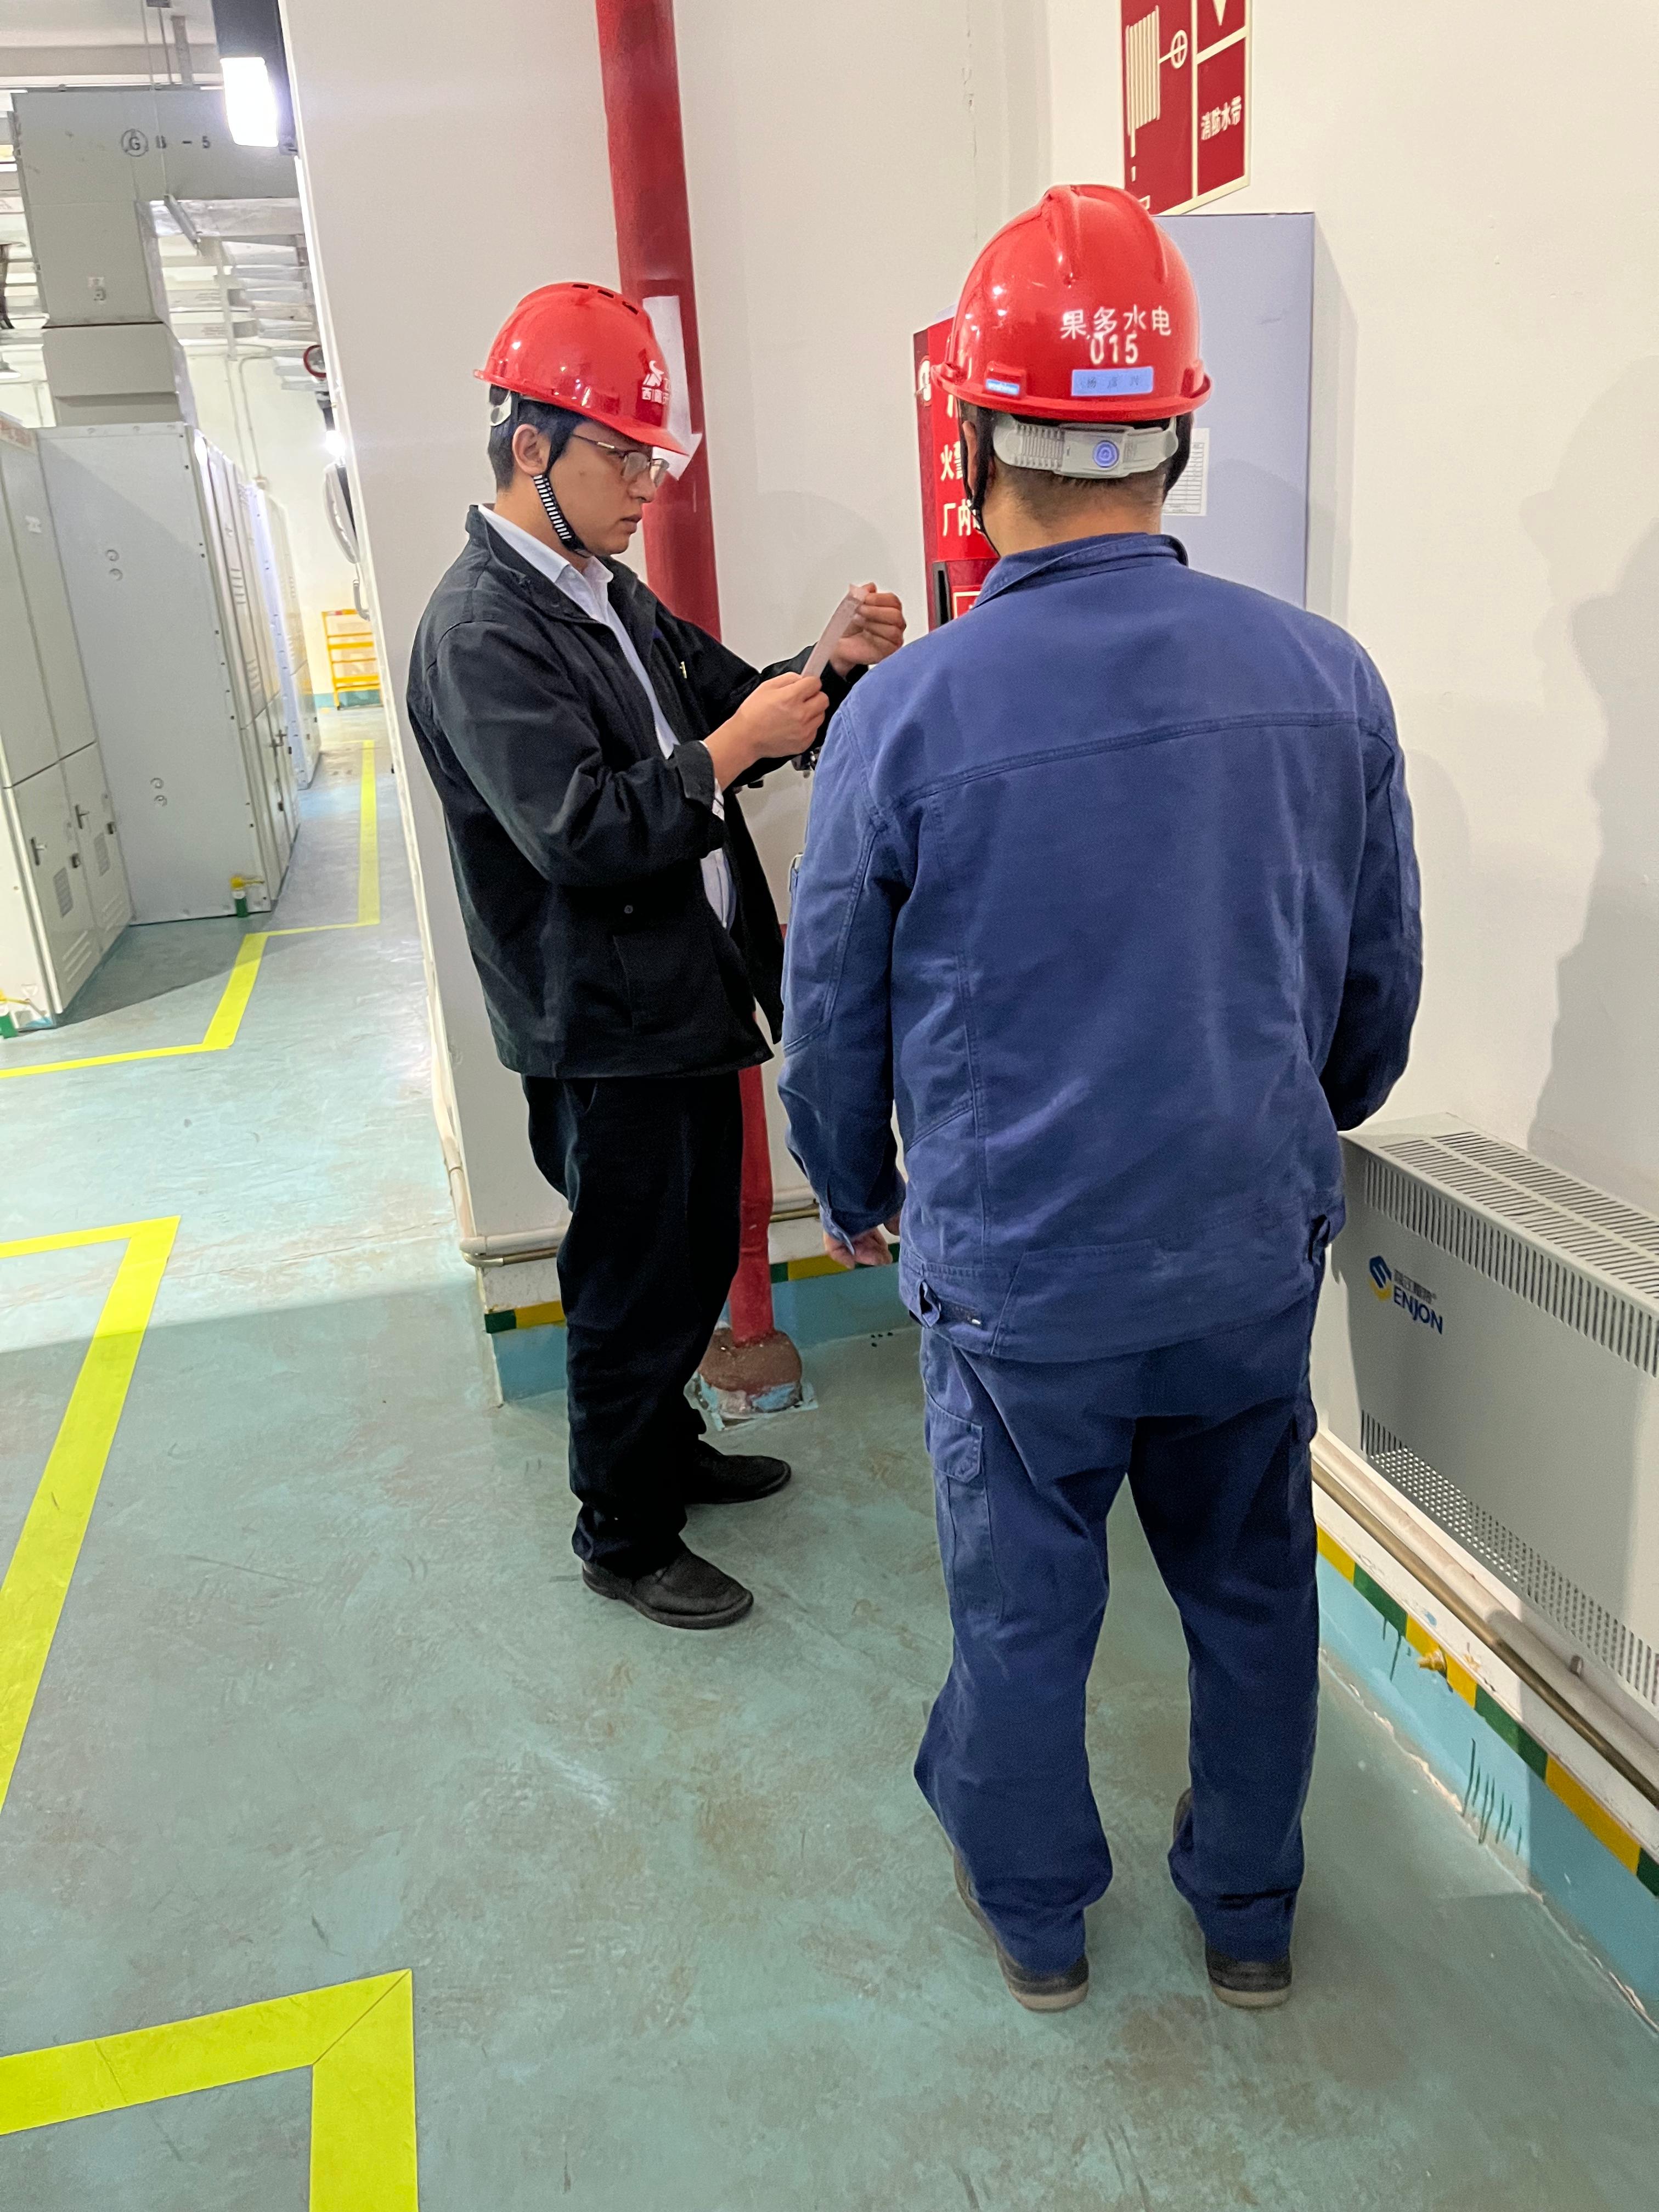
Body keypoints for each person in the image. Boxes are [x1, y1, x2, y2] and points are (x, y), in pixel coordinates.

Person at [781, 188, 1420, 2010]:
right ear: (1177, 434)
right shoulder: (1327, 681)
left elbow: (832, 1016)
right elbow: (1372, 1003)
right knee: (1252, 1591)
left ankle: (1041, 1920)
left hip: (1022, 1281)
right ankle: (1248, 1914)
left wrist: (851, 1184)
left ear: (974, 438)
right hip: (1239, 1257)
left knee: (1022, 1610)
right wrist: (1284, 1138)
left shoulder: (904, 714)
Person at [407, 281, 904, 1632]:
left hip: (680, 997)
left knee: (685, 1259)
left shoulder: (604, 593)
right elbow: (576, 830)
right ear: (531, 448)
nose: (644, 486)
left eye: (649, 459)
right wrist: (736, 747)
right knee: (630, 1284)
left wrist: (828, 664)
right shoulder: (483, 629)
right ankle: (622, 1534)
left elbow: (733, 706)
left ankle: (666, 1454)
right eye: (622, 458)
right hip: (599, 1020)